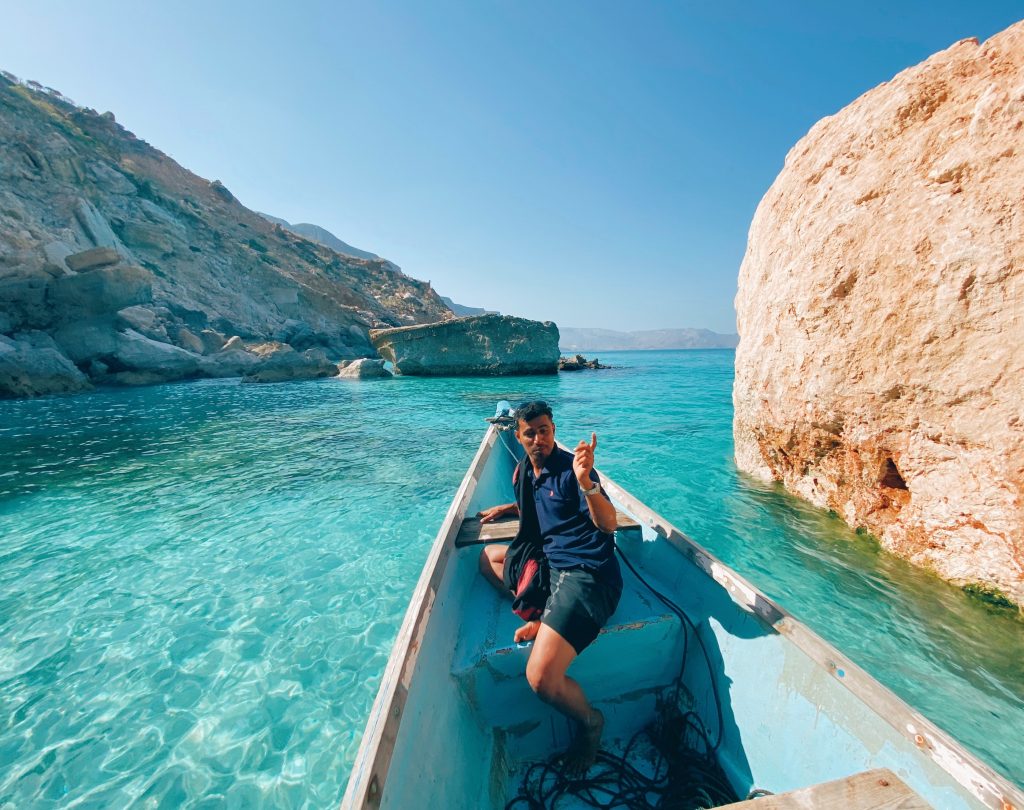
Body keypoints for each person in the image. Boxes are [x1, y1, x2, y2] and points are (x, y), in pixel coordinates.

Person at [477, 400, 622, 774]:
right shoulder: (527, 471)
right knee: (488, 559)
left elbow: (608, 525)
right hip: (552, 565)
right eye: (530, 432)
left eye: (545, 430)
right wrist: (510, 509)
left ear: (554, 429)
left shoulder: (573, 471)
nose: (539, 438)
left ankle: (591, 723)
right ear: (519, 436)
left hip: (588, 575)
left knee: (541, 678)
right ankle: (547, 618)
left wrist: (588, 483)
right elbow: (540, 507)